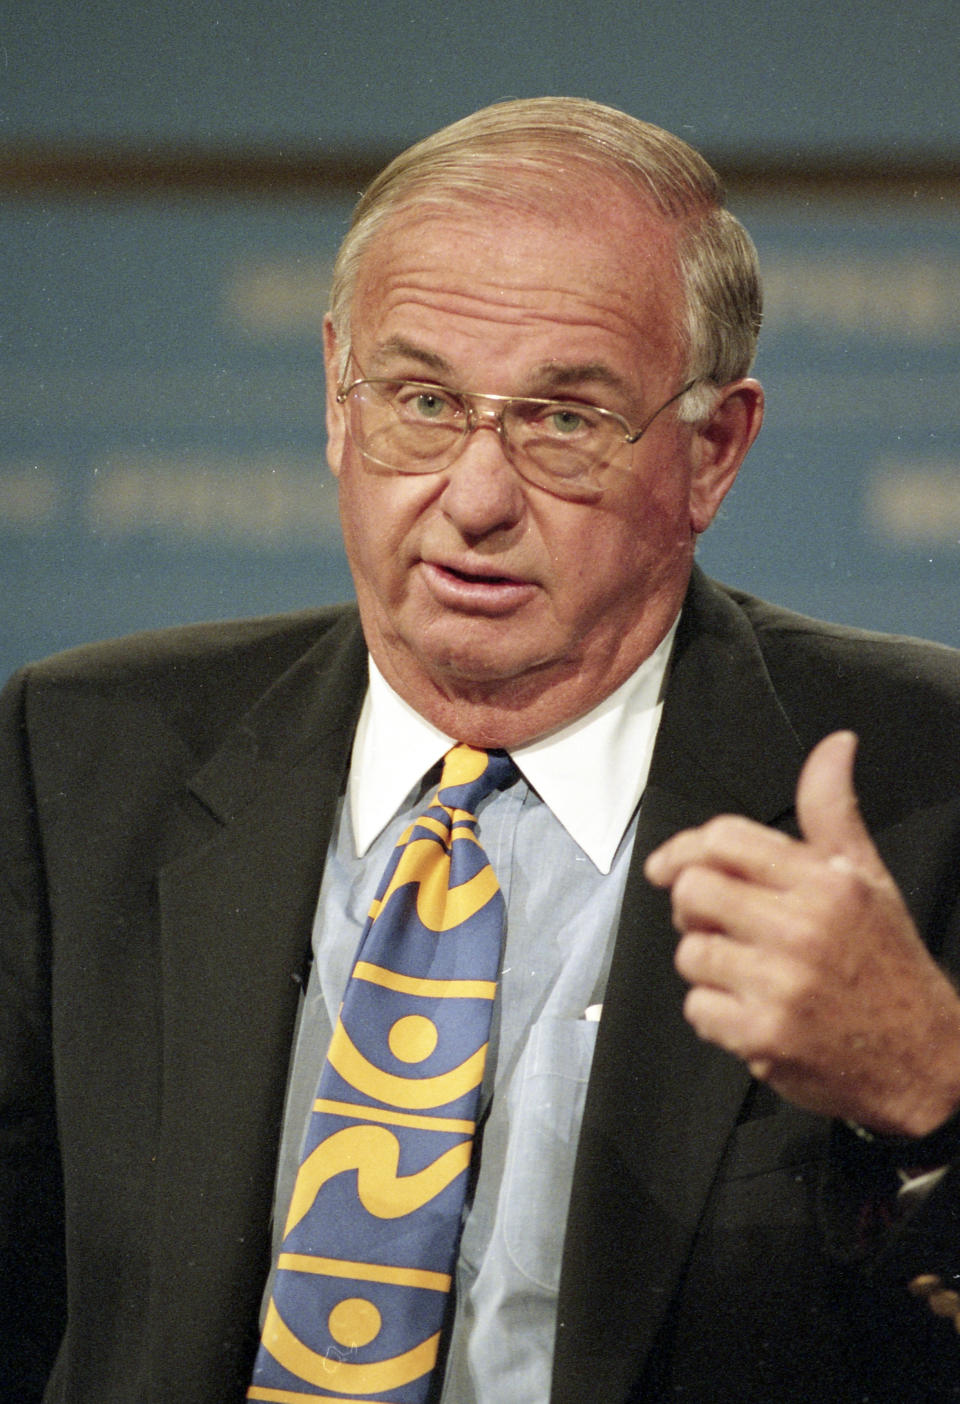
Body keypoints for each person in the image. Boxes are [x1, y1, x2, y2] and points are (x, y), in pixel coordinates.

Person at [3, 96, 960, 1404]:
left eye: (565, 421)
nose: (475, 495)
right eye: (421, 401)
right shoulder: (81, 759)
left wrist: (936, 1090)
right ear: (337, 401)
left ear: (712, 451)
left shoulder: (930, 786)